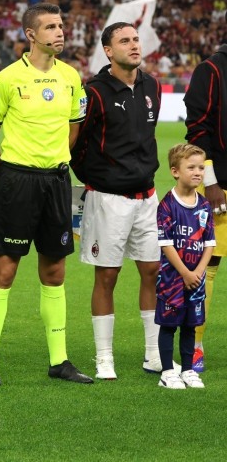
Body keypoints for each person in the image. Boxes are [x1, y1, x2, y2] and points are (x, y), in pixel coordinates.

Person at [0, 2, 92, 386]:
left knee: (55, 269)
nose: (60, 32)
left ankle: (59, 360)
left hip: (56, 182)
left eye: (61, 25)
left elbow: (73, 130)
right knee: (6, 268)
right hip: (17, 182)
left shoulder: (71, 77)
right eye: (51, 27)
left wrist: (57, 162)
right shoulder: (6, 79)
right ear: (30, 35)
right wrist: (5, 177)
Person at [70, 22, 165, 379]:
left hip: (148, 197)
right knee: (107, 277)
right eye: (124, 41)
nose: (134, 45)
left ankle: (154, 353)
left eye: (136, 39)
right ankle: (104, 356)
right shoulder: (92, 91)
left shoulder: (151, 85)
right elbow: (76, 145)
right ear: (108, 51)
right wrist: (94, 178)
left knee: (152, 272)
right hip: (108, 199)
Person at [154, 144, 214, 389]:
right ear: (175, 171)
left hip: (195, 279)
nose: (198, 172)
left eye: (201, 167)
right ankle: (167, 372)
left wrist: (198, 273)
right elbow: (166, 244)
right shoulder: (167, 205)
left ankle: (188, 369)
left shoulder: (205, 205)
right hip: (172, 278)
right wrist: (185, 272)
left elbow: (209, 242)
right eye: (191, 167)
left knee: (191, 325)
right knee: (169, 325)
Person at [183, 42, 227, 373]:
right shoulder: (211, 70)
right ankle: (195, 344)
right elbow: (198, 128)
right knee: (207, 265)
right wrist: (209, 181)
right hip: (220, 186)